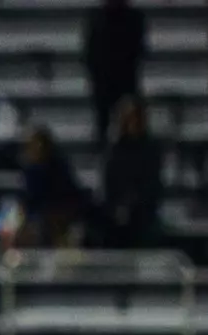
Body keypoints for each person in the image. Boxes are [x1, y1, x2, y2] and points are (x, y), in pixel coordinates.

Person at [83, 0, 147, 149]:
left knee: (129, 123)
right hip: (105, 79)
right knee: (103, 123)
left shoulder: (135, 18)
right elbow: (90, 52)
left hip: (124, 77)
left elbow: (139, 50)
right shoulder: (96, 18)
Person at [101, 97, 163, 249]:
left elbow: (152, 185)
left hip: (144, 213)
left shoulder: (151, 149)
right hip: (116, 213)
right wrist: (118, 208)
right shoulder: (114, 150)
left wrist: (133, 204)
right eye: (129, 119)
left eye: (136, 118)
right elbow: (109, 185)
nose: (133, 123)